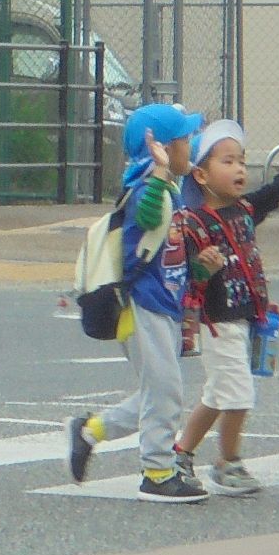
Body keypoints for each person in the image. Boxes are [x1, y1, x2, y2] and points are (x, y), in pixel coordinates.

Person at [172, 120, 279, 497]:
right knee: (237, 394)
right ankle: (228, 463)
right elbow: (187, 278)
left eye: (242, 161)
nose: (238, 169)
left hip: (246, 319)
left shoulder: (246, 211)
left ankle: (181, 452)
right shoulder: (192, 223)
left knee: (218, 394)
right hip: (217, 322)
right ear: (201, 174)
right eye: (228, 161)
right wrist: (204, 265)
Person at [65, 102, 209, 503]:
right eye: (184, 139)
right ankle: (158, 472)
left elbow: (169, 252)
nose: (191, 145)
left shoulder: (169, 189)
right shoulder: (151, 188)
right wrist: (162, 171)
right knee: (164, 391)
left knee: (156, 392)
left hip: (162, 305)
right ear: (162, 147)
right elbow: (147, 220)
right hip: (143, 306)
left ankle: (89, 431)